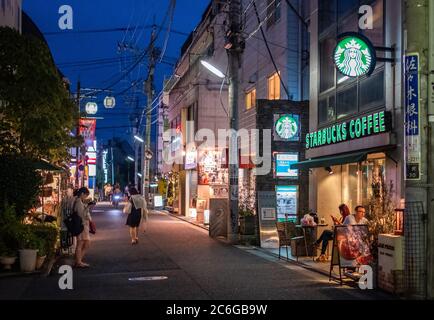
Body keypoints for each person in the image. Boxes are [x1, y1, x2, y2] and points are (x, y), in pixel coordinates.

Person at [74, 187, 93, 268]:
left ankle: (78, 261)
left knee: (84, 243)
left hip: (83, 225)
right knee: (82, 243)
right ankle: (78, 262)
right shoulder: (78, 202)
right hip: (81, 225)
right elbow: (82, 214)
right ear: (82, 194)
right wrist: (88, 207)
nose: (86, 197)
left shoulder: (79, 201)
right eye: (85, 195)